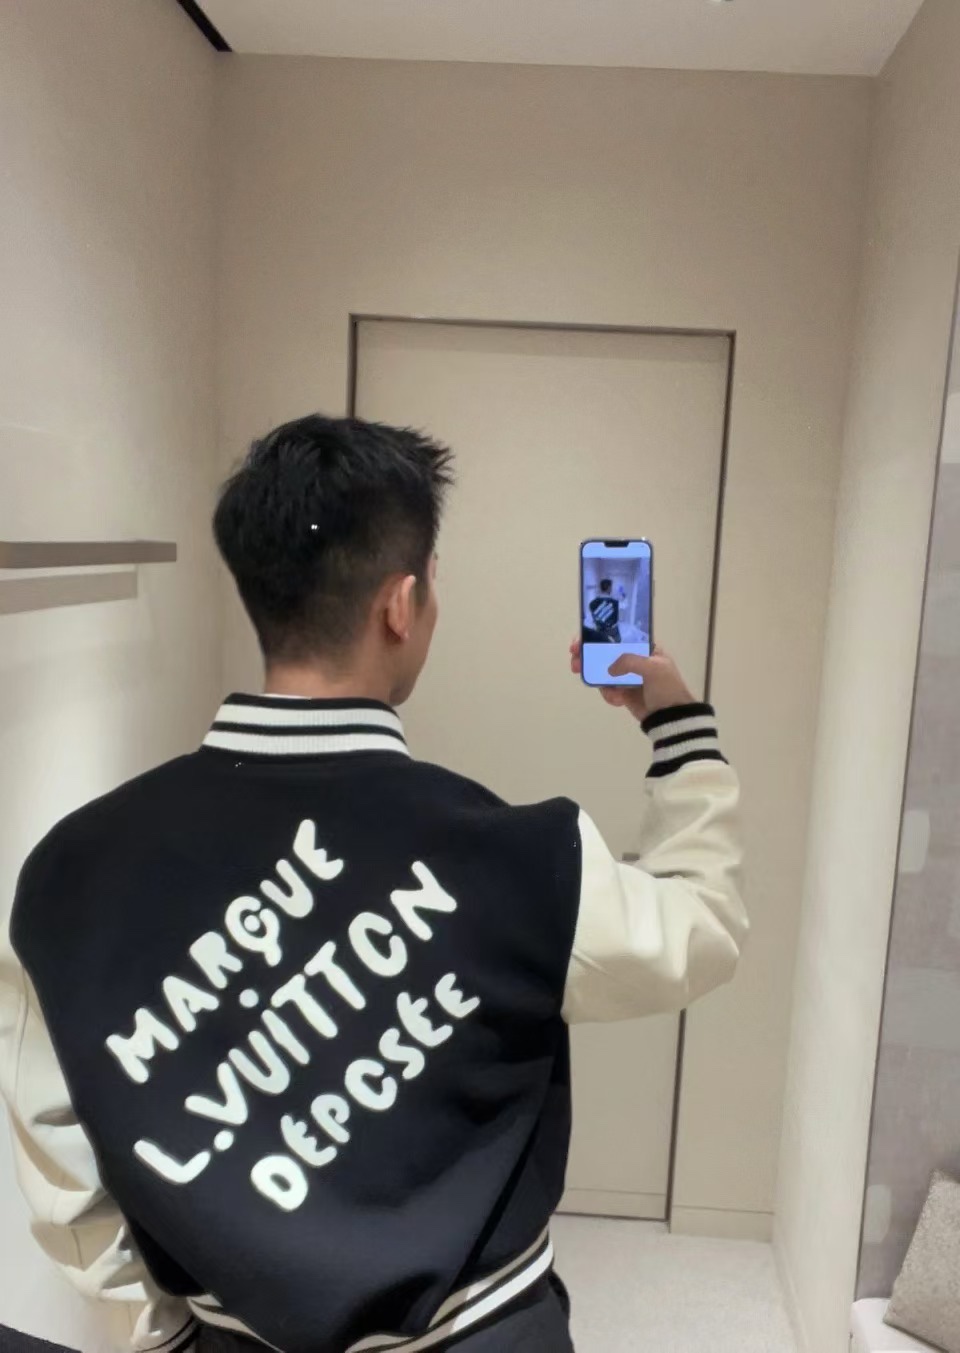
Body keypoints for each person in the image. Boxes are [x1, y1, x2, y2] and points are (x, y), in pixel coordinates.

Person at [0, 414, 746, 1353]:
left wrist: (166, 1338)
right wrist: (678, 725)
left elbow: (62, 1155)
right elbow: (702, 926)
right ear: (401, 604)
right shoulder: (515, 855)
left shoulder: (66, 872)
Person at [587, 578, 621, 642]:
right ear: (609, 588)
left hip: (598, 633)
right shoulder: (615, 603)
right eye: (611, 587)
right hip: (612, 634)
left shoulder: (592, 603)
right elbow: (616, 620)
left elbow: (593, 619)